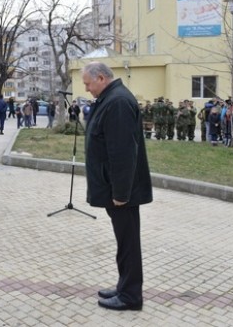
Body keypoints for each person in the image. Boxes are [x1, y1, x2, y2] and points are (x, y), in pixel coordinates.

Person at [82, 62, 152, 312]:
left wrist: (121, 193)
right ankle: (124, 287)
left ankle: (131, 296)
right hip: (117, 189)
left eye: (88, 84)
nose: (87, 89)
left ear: (101, 78)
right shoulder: (111, 98)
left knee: (128, 243)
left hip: (123, 192)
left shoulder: (118, 102)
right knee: (124, 243)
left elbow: (123, 152)